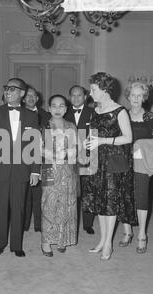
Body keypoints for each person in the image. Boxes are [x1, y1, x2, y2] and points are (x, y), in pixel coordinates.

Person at [0, 78, 40, 258]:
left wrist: (35, 170)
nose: (8, 92)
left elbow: (35, 145)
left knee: (19, 208)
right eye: (6, 88)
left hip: (22, 170)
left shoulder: (32, 116)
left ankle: (17, 245)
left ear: (22, 93)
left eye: (13, 89)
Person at [82, 72, 136, 261]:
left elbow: (128, 138)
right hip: (97, 161)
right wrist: (87, 143)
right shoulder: (95, 110)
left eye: (93, 89)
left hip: (113, 162)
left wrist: (102, 140)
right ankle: (102, 239)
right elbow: (93, 135)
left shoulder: (120, 110)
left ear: (105, 89)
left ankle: (108, 244)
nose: (90, 93)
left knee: (110, 203)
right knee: (100, 202)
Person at [120, 81, 153, 254]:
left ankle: (142, 234)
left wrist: (139, 144)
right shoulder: (122, 115)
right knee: (124, 197)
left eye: (140, 95)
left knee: (142, 198)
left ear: (144, 98)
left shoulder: (150, 117)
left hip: (142, 163)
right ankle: (127, 231)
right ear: (128, 96)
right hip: (123, 162)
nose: (136, 98)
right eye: (133, 95)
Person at [41, 94, 78, 256]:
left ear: (66, 108)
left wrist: (70, 152)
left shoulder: (71, 126)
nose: (58, 109)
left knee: (66, 205)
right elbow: (37, 148)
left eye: (61, 106)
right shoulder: (44, 126)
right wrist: (54, 155)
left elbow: (77, 147)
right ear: (49, 108)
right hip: (49, 168)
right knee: (49, 204)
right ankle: (46, 241)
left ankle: (62, 239)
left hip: (68, 170)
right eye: (54, 106)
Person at [65, 85, 95, 235]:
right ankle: (71, 221)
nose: (76, 98)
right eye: (73, 95)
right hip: (68, 159)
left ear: (85, 97)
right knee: (70, 191)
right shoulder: (63, 112)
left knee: (88, 190)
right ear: (69, 97)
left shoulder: (93, 113)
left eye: (79, 95)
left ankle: (88, 223)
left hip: (88, 157)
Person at [23, 85, 50, 233]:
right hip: (24, 159)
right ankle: (25, 223)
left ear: (38, 98)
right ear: (23, 98)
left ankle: (40, 224)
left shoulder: (46, 116)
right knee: (25, 192)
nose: (31, 98)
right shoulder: (18, 115)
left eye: (33, 96)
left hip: (45, 159)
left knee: (43, 192)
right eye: (28, 95)